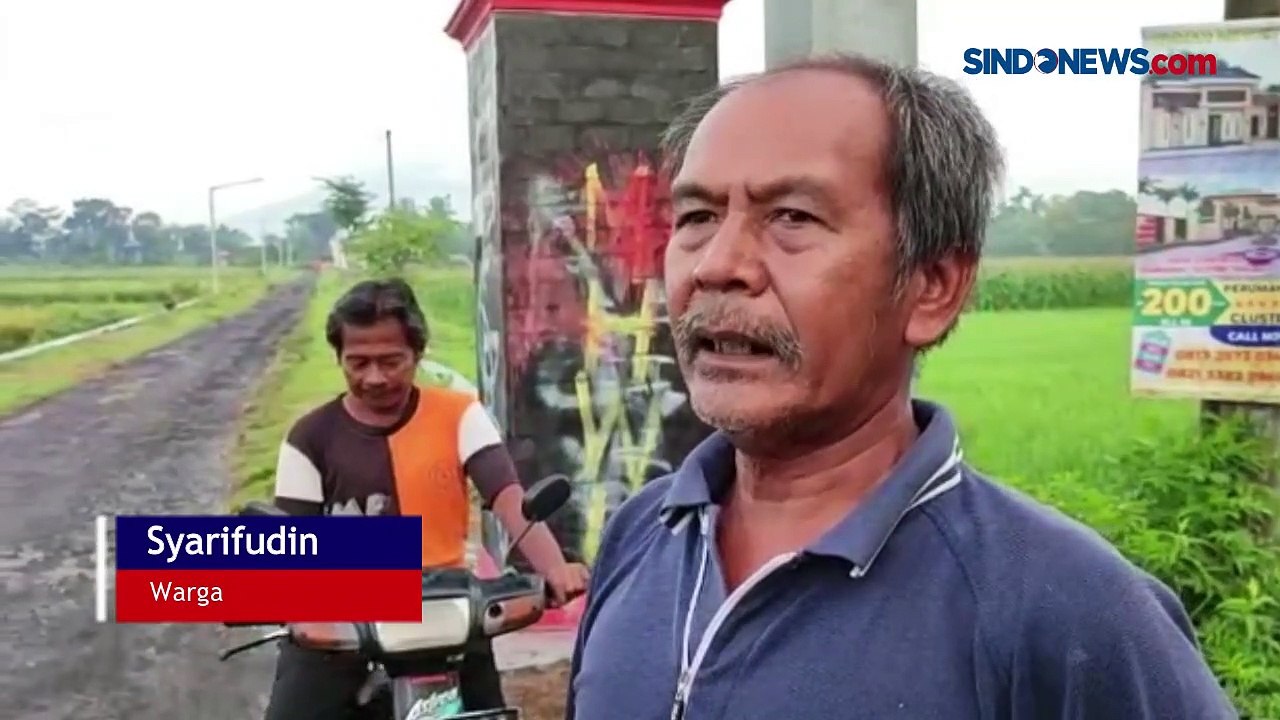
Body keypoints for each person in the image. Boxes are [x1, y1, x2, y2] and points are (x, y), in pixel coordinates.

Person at [566, 54, 1237, 719]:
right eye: (697, 217)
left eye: (793, 217)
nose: (717, 266)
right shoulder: (644, 533)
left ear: (932, 288)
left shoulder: (1065, 611)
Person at [265, 278, 588, 719]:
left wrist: (554, 568)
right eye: (357, 363)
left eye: (391, 361)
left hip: (448, 616)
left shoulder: (458, 415)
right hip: (345, 625)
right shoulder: (310, 437)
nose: (374, 377)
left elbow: (507, 496)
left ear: (418, 353)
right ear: (338, 357)